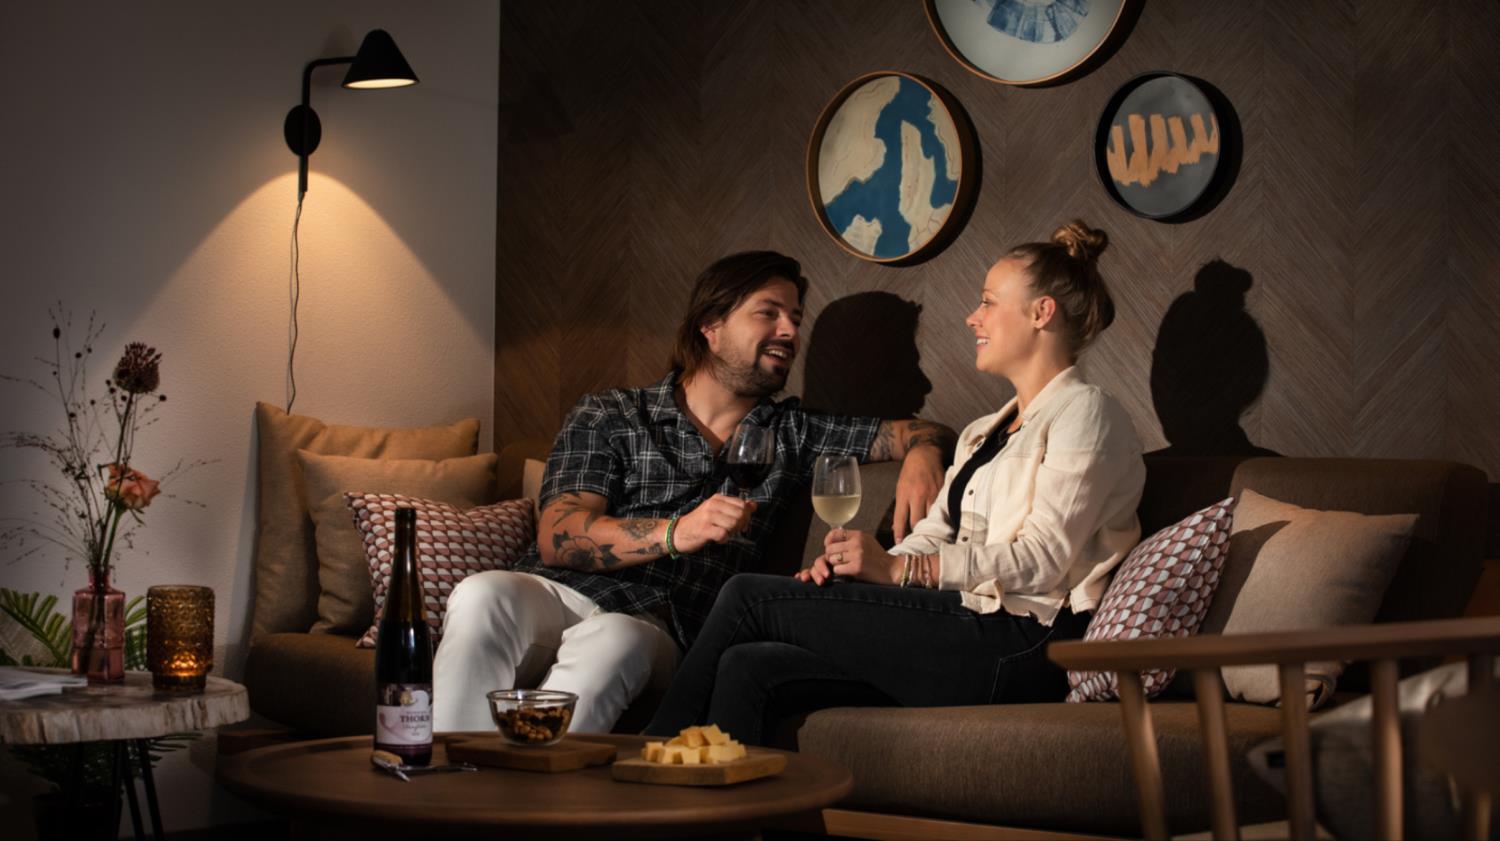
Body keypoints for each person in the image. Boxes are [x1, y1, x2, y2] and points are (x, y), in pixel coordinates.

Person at [645, 221, 1147, 745]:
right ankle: (721, 794)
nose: (973, 316)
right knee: (748, 665)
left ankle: (650, 751)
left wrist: (904, 570)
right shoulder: (984, 430)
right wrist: (861, 571)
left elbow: (1044, 560)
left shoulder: (1087, 413)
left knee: (747, 596)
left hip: (1024, 639)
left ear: (1041, 312)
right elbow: (935, 532)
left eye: (988, 302)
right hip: (965, 620)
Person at [433, 251, 957, 734]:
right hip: (561, 592)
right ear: (711, 326)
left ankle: (539, 794)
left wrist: (923, 453)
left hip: (658, 622)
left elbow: (920, 431)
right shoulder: (612, 414)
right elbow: (560, 535)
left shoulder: (794, 432)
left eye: (796, 319)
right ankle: (447, 783)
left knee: (614, 640)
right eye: (769, 313)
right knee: (483, 593)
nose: (788, 331)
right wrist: (676, 532)